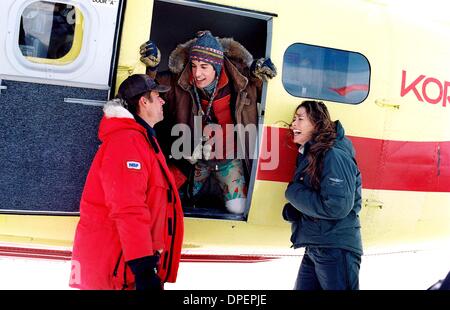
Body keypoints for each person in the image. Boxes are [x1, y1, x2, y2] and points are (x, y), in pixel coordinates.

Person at [139, 30, 277, 214]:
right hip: (194, 159)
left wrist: (260, 77)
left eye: (204, 66)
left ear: (217, 68)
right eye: (194, 65)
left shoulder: (239, 80)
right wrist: (151, 68)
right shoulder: (180, 79)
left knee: (239, 208)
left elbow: (262, 93)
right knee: (174, 202)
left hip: (229, 157)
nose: (197, 73)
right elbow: (150, 89)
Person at [69, 74, 184, 290]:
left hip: (125, 267)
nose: (163, 101)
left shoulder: (140, 139)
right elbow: (128, 207)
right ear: (144, 101)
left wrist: (183, 169)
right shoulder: (126, 141)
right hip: (115, 270)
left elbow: (152, 193)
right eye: (157, 96)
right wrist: (143, 268)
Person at [282, 100, 363, 290]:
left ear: (317, 123)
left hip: (335, 247)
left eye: (300, 119)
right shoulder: (312, 154)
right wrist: (298, 211)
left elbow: (336, 206)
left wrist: (293, 193)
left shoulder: (334, 154)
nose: (293, 124)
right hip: (317, 244)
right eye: (294, 119)